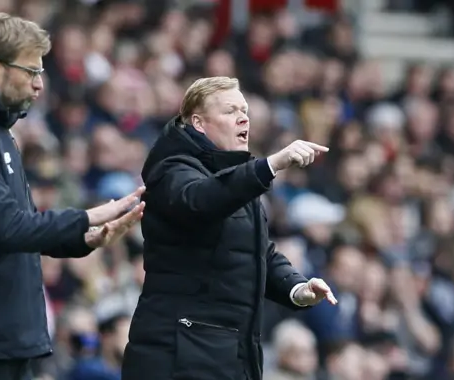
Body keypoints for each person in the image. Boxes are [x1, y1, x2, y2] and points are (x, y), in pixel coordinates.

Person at [0, 13, 145, 380]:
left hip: (5, 341)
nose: (40, 85)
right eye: (31, 72)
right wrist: (86, 216)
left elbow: (16, 233)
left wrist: (82, 239)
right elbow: (6, 227)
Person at [121, 77, 337, 380]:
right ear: (198, 122)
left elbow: (256, 252)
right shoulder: (171, 169)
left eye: (245, 110)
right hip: (177, 355)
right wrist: (269, 165)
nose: (243, 117)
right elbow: (200, 201)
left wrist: (297, 288)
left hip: (225, 353)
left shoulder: (235, 178)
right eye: (230, 110)